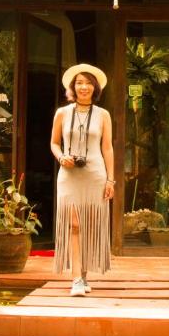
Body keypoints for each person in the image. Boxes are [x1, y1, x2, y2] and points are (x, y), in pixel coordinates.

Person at [50, 64, 115, 296]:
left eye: (88, 83)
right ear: (73, 87)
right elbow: (54, 143)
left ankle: (84, 274)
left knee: (89, 225)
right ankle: (76, 278)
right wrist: (61, 157)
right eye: (79, 82)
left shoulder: (103, 115)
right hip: (68, 176)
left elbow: (107, 148)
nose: (83, 86)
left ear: (94, 87)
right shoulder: (62, 113)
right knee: (74, 224)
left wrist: (111, 180)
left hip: (95, 175)